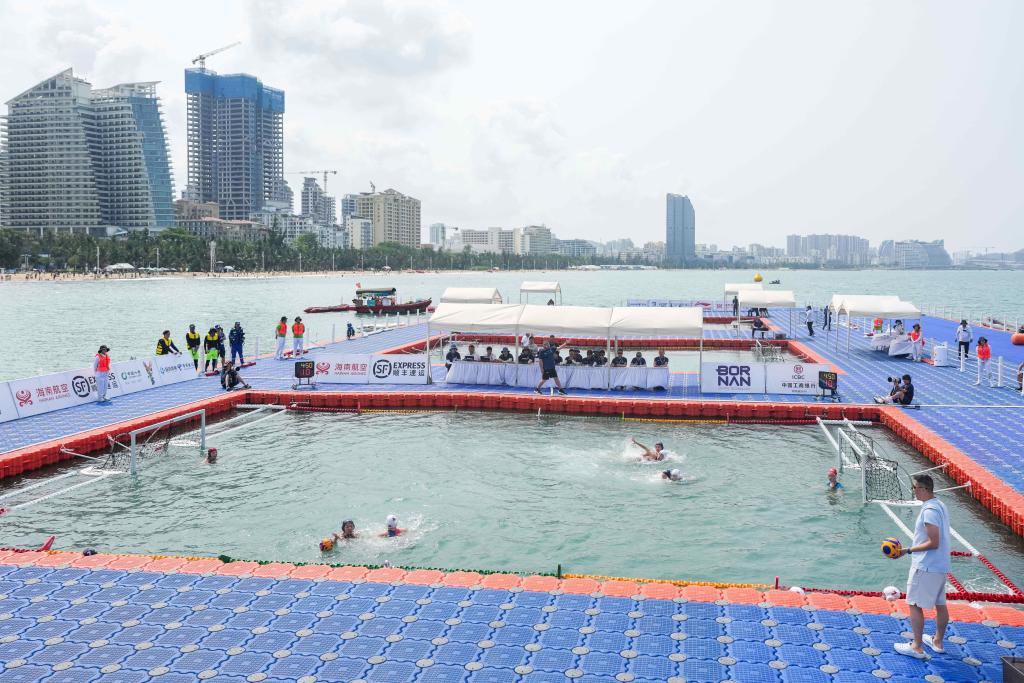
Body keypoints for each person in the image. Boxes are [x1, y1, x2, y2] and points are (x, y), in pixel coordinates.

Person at [893, 474, 950, 660]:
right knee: (940, 604)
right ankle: (937, 642)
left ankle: (916, 647)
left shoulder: (929, 511)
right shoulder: (939, 505)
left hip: (926, 566)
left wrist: (907, 550)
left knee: (914, 604)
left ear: (924, 489)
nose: (913, 491)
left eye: (915, 488)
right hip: (940, 565)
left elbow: (934, 542)